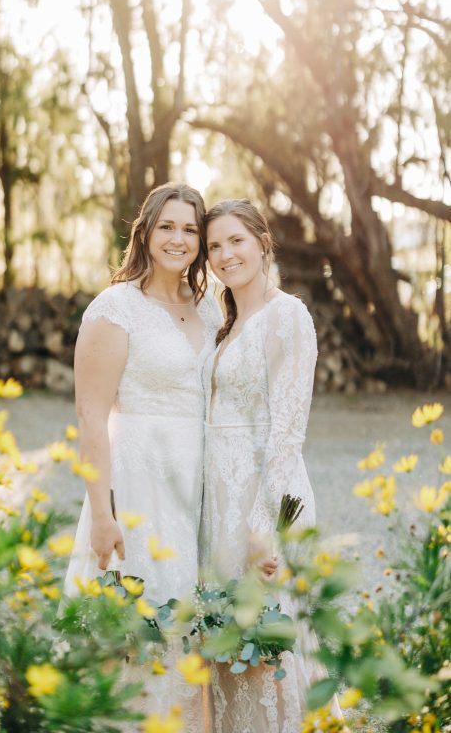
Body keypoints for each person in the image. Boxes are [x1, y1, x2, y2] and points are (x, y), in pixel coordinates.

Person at [64, 182, 222, 729]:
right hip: (137, 489)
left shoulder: (209, 307)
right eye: (168, 227)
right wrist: (102, 515)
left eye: (190, 230)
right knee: (141, 623)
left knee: (192, 622)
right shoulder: (116, 308)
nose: (179, 239)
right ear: (146, 232)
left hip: (196, 486)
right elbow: (90, 417)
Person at [201, 198, 320, 733]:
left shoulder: (287, 316)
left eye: (236, 241)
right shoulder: (225, 323)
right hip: (221, 502)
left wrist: (262, 524)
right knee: (229, 643)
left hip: (264, 500)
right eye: (214, 246)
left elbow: (288, 432)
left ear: (263, 243)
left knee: (266, 645)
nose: (225, 254)